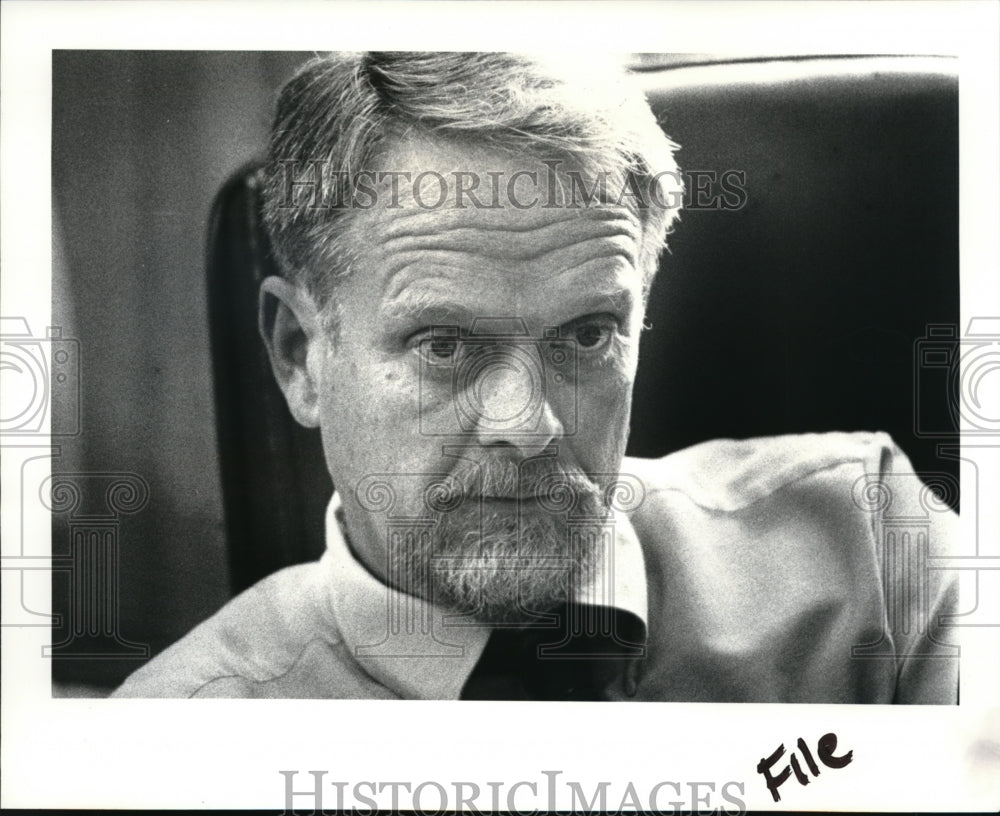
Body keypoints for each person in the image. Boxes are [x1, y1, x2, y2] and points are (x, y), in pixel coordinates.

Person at [113, 51, 958, 702]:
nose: (530, 424)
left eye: (586, 334)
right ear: (300, 355)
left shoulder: (877, 549)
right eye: (445, 344)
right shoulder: (165, 749)